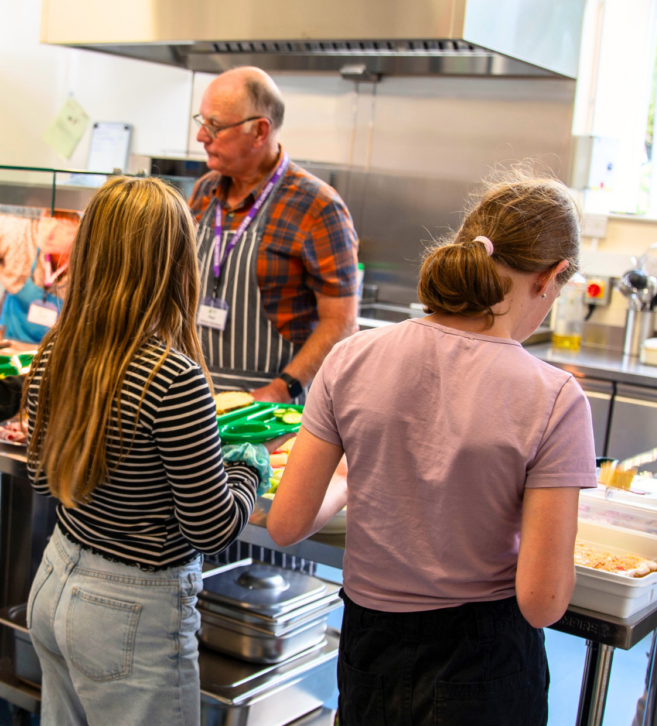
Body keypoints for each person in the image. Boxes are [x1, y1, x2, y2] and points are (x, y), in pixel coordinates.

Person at [267, 172, 596, 725]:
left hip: (370, 650)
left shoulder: (350, 357)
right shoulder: (555, 396)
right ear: (549, 277)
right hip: (482, 660)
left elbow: (286, 525)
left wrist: (349, 479)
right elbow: (542, 602)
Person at [23, 177, 279, 726]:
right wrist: (245, 466)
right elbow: (211, 528)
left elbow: (44, 481)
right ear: (176, 264)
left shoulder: (54, 350)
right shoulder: (174, 377)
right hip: (130, 608)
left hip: (56, 578)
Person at [189, 66, 359, 403]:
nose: (201, 137)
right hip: (198, 393)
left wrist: (281, 390)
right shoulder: (204, 192)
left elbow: (341, 322)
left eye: (215, 125)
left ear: (259, 131)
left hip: (271, 408)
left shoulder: (318, 207)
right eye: (202, 121)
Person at [0, 212, 77, 344]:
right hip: (11, 341)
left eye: (63, 226)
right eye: (48, 218)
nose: (50, 233)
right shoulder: (18, 232)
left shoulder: (89, 257)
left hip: (60, 346)